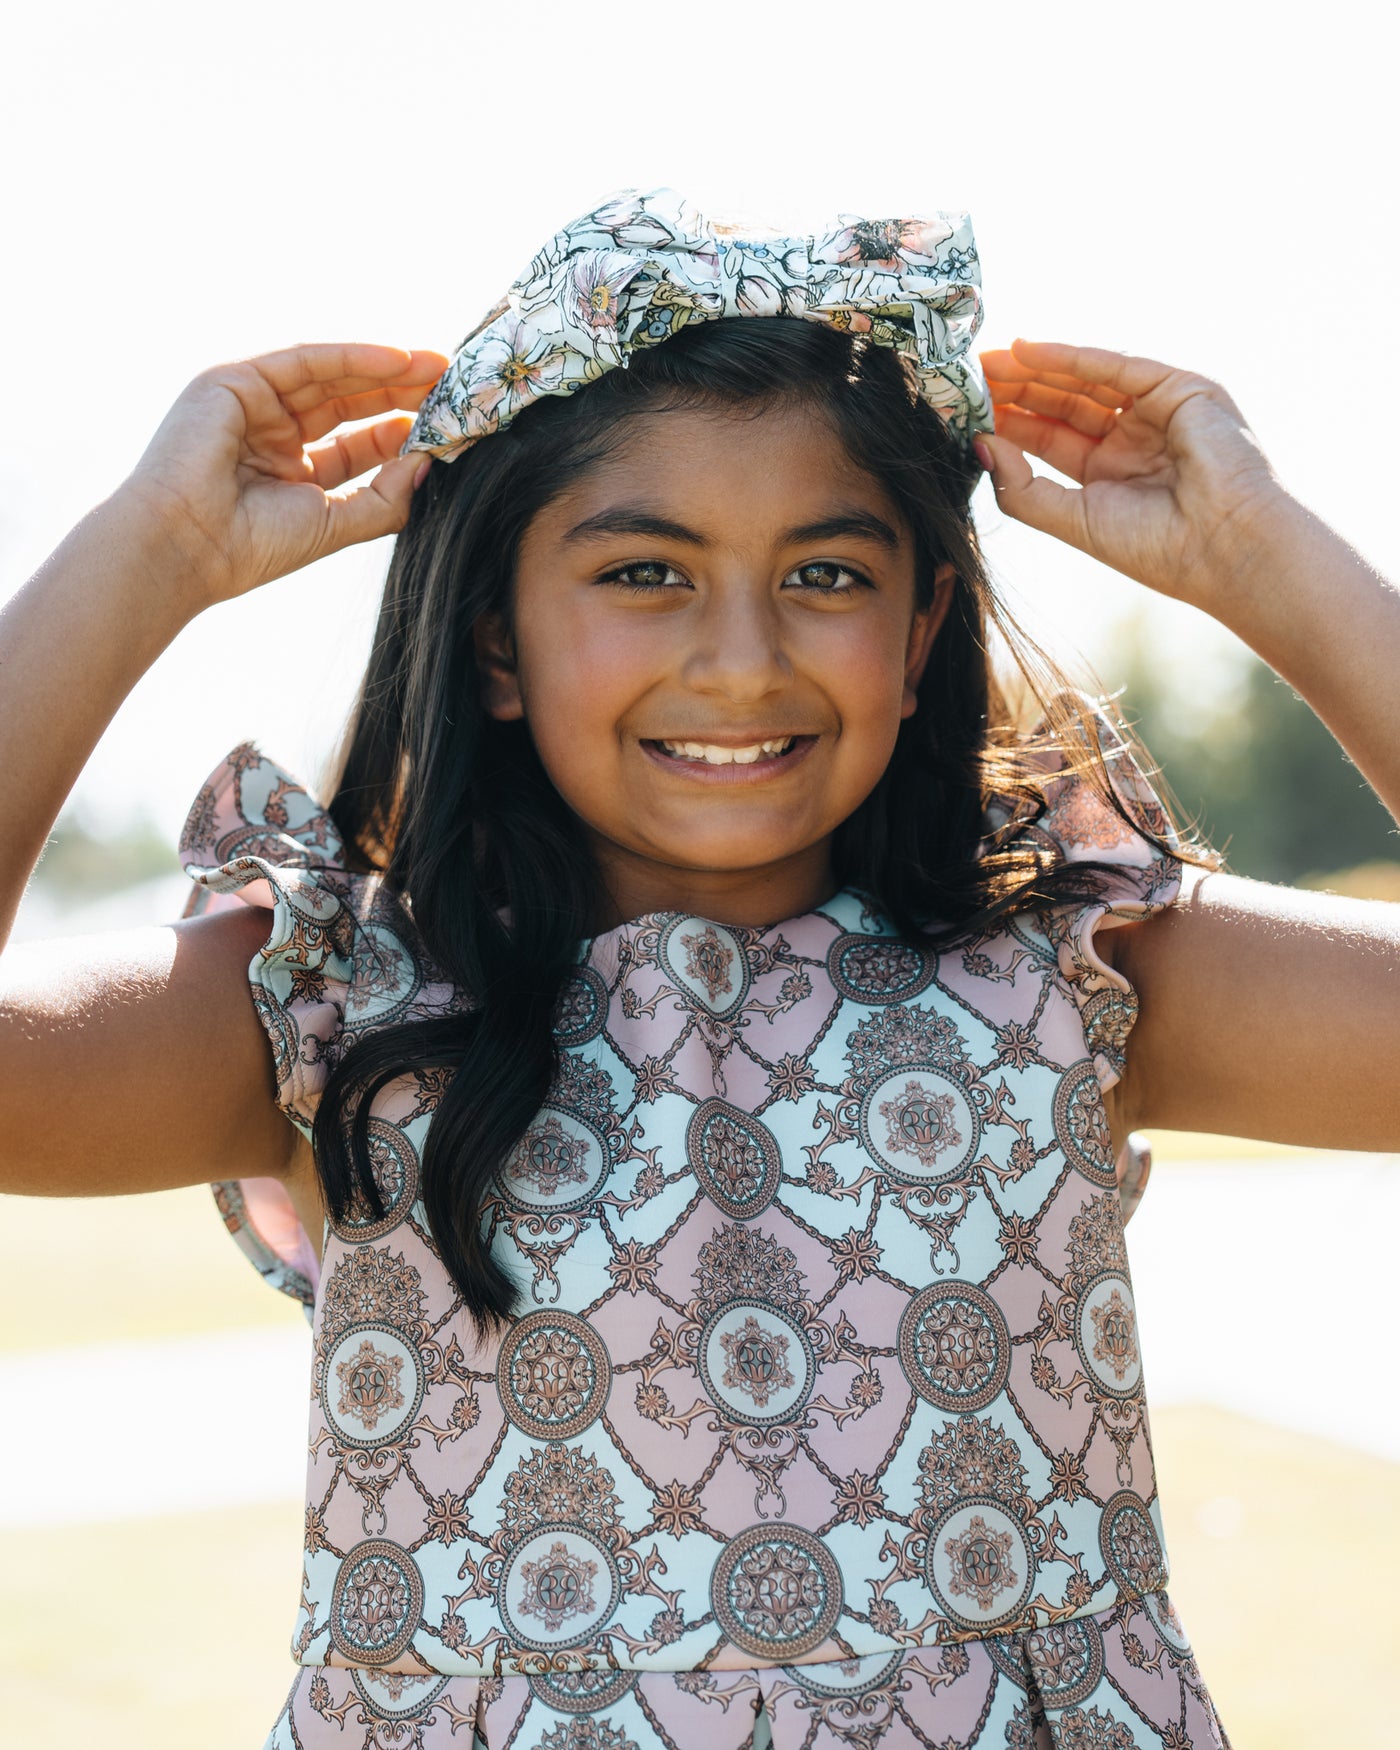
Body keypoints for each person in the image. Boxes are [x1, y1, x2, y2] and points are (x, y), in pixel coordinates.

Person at [2, 189, 1395, 1750]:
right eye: (645, 574)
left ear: (925, 624)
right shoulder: (335, 1005)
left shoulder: (1073, 973)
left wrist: (1261, 555)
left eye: (826, 576)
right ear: (494, 643)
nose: (743, 657)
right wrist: (153, 549)